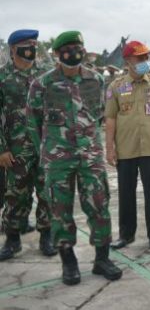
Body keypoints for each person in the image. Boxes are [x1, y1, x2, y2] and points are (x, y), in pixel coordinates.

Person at [26, 31, 122, 285]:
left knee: (99, 206)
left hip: (90, 157)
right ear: (57, 54)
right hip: (57, 160)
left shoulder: (96, 80)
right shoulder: (42, 84)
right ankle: (68, 262)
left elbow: (99, 115)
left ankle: (102, 258)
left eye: (77, 47)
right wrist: (45, 154)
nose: (73, 52)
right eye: (67, 49)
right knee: (59, 210)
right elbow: (32, 122)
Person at [105, 41, 150, 250]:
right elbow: (111, 119)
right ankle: (126, 234)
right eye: (140, 58)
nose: (145, 62)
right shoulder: (115, 87)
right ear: (128, 61)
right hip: (126, 148)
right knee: (126, 193)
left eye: (146, 58)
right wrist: (109, 148)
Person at [0, 29, 56, 260]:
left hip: (44, 146)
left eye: (34, 44)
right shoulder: (3, 78)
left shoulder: (46, 75)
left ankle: (46, 237)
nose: (32, 48)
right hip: (15, 149)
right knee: (16, 195)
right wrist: (1, 148)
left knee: (47, 193)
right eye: (27, 44)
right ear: (14, 49)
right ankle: (12, 239)